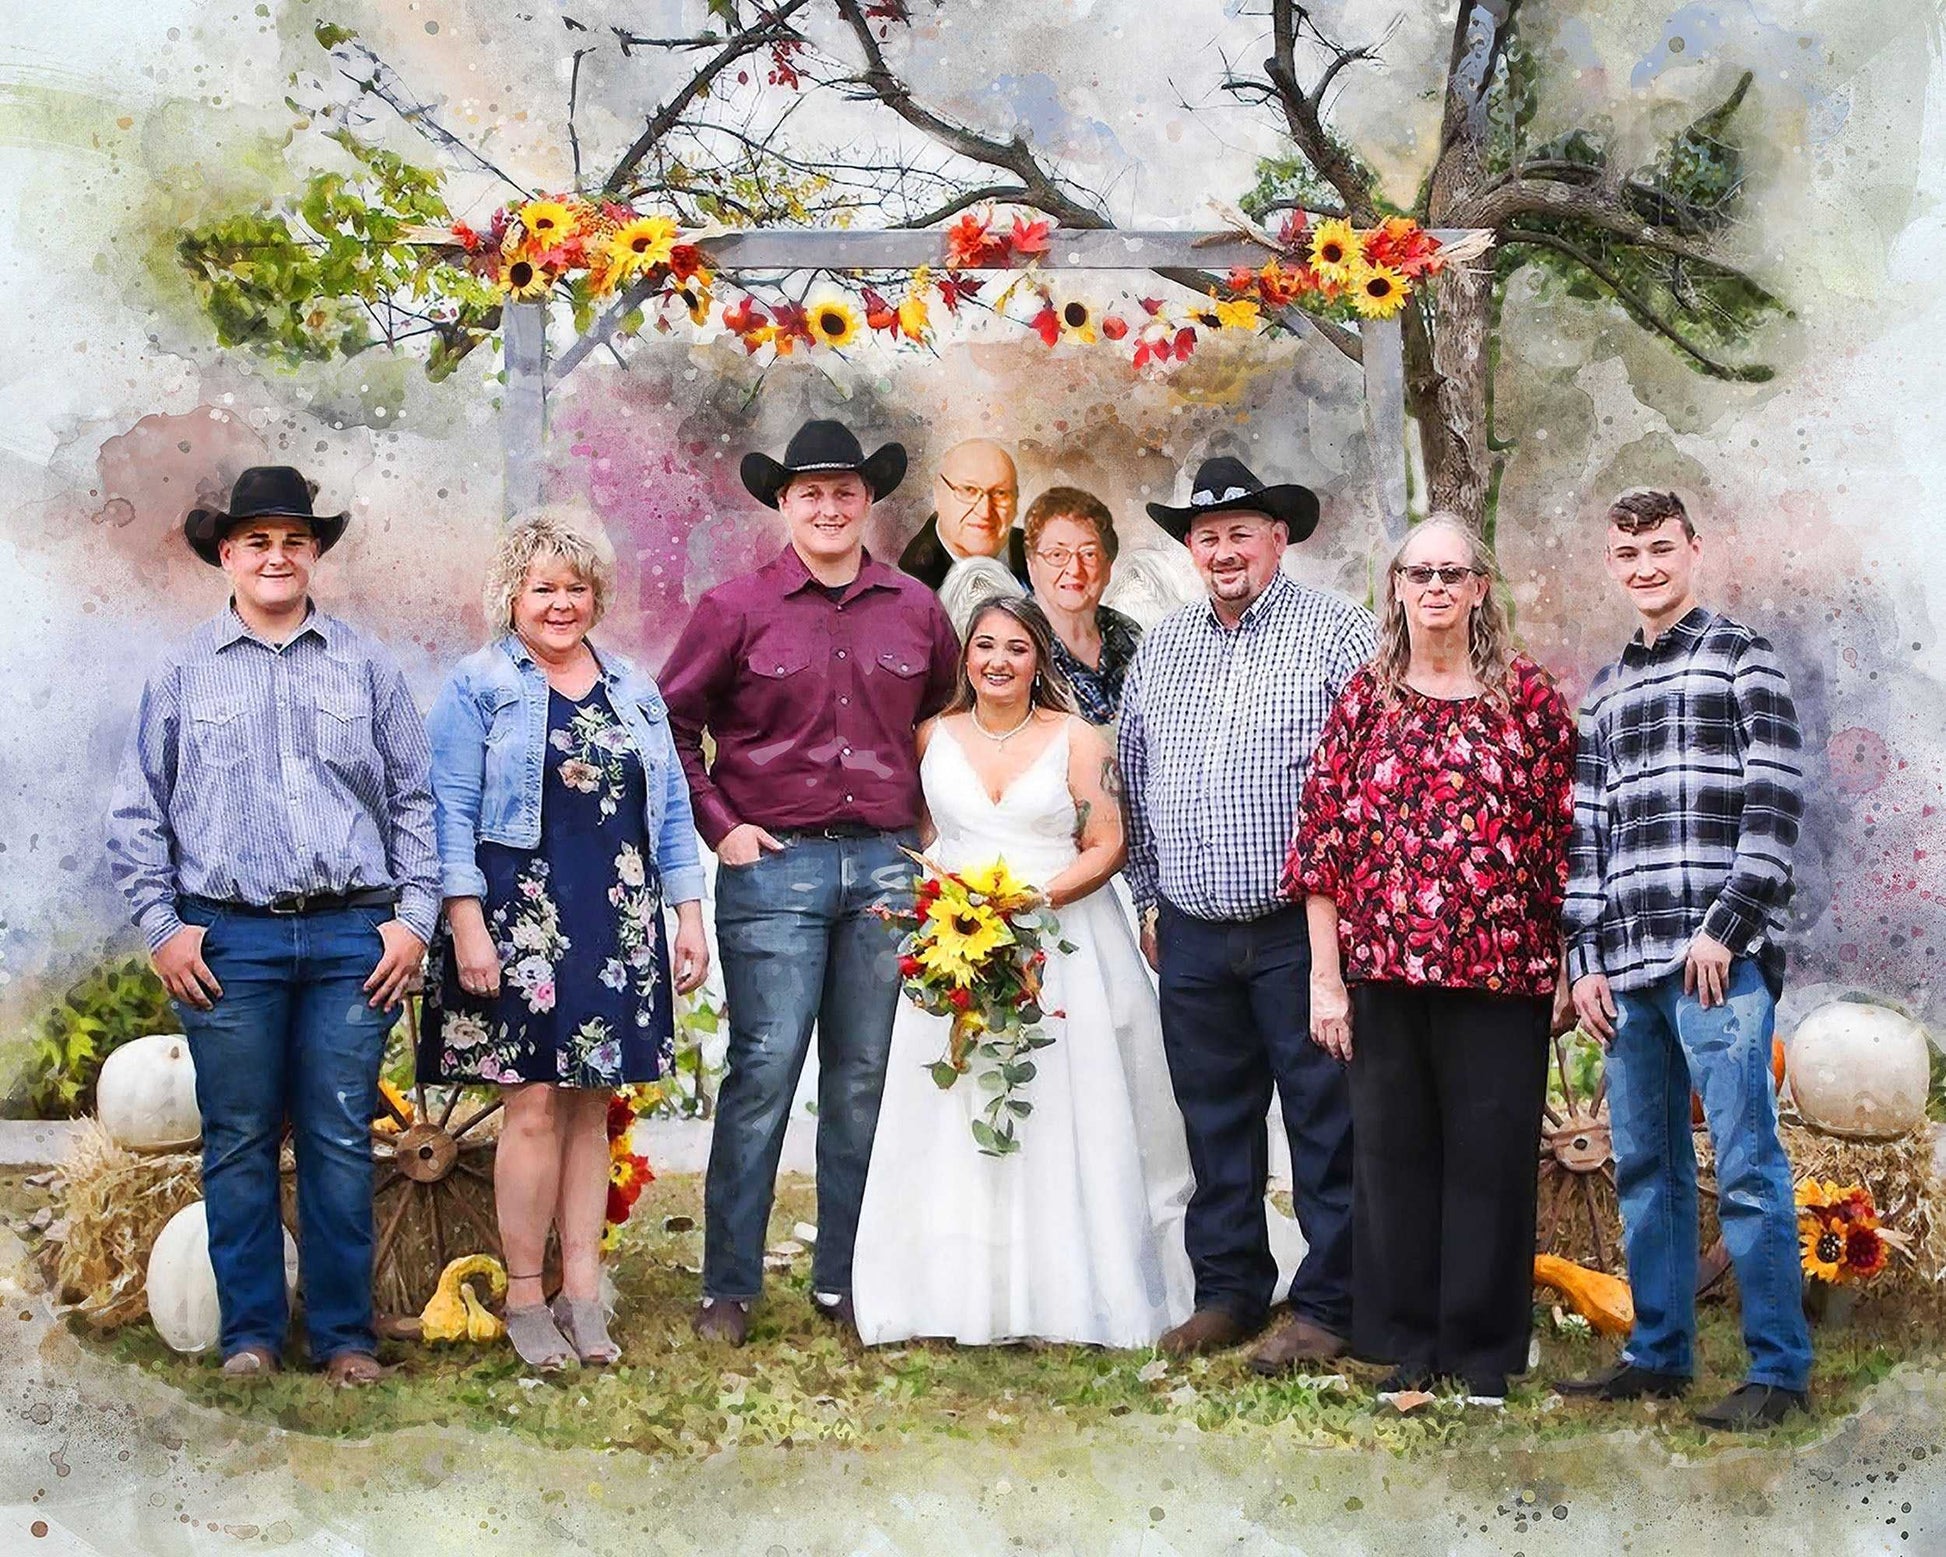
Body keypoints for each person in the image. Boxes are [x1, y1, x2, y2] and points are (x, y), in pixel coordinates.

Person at [105, 466, 438, 1385]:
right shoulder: (181, 671)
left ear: (315, 553)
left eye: (294, 540)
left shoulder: (365, 666)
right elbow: (139, 809)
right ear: (227, 555)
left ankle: (342, 1337)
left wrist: (412, 920)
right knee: (240, 1134)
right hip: (227, 939)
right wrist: (163, 925)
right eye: (258, 540)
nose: (277, 555)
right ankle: (250, 1333)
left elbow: (415, 797)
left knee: (337, 1134)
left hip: (350, 939)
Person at [660, 418, 961, 1346]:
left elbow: (947, 722)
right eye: (809, 493)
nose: (828, 508)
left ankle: (848, 1276)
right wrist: (724, 828)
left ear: (871, 502)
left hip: (884, 866)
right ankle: (729, 1286)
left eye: (845, 492)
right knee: (762, 1074)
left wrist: (934, 836)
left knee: (865, 1077)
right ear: (783, 505)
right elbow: (670, 725)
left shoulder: (917, 607)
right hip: (775, 867)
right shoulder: (733, 608)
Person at [852, 598, 1195, 1345]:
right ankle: (953, 1293)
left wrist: (1036, 899)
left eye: (1016, 647)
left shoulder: (1077, 738)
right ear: (965, 657)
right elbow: (922, 835)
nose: (998, 661)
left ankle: (1068, 1292)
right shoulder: (929, 736)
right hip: (959, 947)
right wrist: (945, 914)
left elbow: (1106, 842)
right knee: (956, 1105)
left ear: (1040, 659)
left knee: (1067, 1105)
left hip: (1060, 939)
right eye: (984, 645)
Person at [1289, 514, 1576, 1405]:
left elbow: (1568, 837)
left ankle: (1484, 1352)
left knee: (1490, 1159)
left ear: (1480, 589)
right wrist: (1325, 978)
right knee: (1396, 1160)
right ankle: (1409, 1344)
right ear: (1399, 590)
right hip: (1384, 972)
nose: (1438, 587)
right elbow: (1322, 847)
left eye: (1455, 572)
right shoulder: (1364, 701)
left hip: (1501, 970)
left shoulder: (1528, 697)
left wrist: (1569, 961)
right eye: (1421, 573)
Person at [420, 511, 710, 1370]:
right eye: (542, 586)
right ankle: (523, 1296)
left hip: (614, 917)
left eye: (575, 587)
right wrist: (466, 920)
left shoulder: (633, 686)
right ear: (510, 594)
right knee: (535, 1104)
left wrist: (688, 911)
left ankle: (583, 1292)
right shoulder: (477, 685)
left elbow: (671, 810)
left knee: (593, 1105)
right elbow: (450, 814)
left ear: (597, 596)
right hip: (518, 916)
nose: (560, 602)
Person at [1558, 489, 1813, 1430]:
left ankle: (1778, 1370)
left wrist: (1729, 924)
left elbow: (1776, 800)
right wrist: (1584, 958)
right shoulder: (1603, 695)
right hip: (1626, 972)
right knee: (1645, 1169)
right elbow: (1585, 837)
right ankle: (1657, 1352)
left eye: (1661, 548)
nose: (1645, 566)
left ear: (1693, 550)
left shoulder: (1741, 656)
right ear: (1613, 562)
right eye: (1628, 553)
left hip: (1716, 963)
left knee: (1745, 1163)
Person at [1118, 455, 1375, 1370]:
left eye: (1240, 533)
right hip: (1191, 933)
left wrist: (1342, 936)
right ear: (1191, 548)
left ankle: (1332, 1301)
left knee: (1323, 1118)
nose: (1223, 550)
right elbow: (1134, 781)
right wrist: (1150, 897)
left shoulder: (1338, 634)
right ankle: (1227, 1289)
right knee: (1214, 1120)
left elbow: (1365, 788)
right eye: (1207, 536)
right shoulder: (1165, 646)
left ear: (1279, 538)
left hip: (1297, 931)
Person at [1022, 485, 1143, 726]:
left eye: (1089, 554)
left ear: (1108, 568)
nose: (1074, 569)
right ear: (1032, 566)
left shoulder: (1129, 634)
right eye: (1057, 554)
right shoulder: (1010, 638)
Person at [898, 438, 1029, 590]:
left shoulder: (1044, 553)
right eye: (968, 490)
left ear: (1016, 498)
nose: (985, 511)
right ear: (938, 494)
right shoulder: (908, 580)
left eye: (1000, 493)